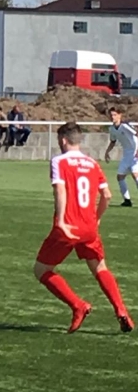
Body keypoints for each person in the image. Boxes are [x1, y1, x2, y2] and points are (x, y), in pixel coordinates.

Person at [34, 121, 133, 334]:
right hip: (89, 228)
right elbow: (107, 195)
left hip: (68, 227)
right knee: (100, 268)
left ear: (63, 140)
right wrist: (97, 219)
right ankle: (121, 310)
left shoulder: (59, 161)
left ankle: (78, 305)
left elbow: (60, 190)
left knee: (41, 270)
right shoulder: (92, 163)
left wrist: (61, 220)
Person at [104, 107, 138, 207]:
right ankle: (127, 200)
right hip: (126, 154)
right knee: (120, 177)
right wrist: (107, 152)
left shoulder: (125, 126)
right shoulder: (111, 129)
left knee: (135, 174)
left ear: (119, 115)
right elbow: (113, 141)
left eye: (115, 115)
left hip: (135, 152)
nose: (112, 117)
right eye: (111, 115)